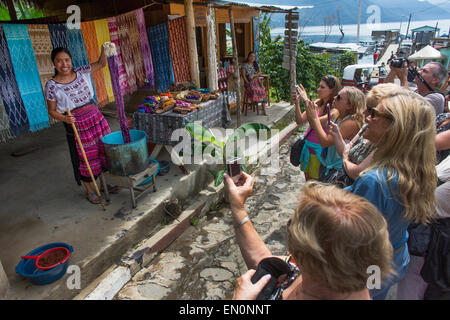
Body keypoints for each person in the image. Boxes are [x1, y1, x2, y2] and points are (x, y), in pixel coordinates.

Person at [226, 175, 394, 300]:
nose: (289, 225)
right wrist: (238, 207)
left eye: (293, 224)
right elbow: (264, 262)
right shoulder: (331, 274)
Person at [344, 89, 437, 300]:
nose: (366, 117)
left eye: (374, 113)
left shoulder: (375, 181)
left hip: (370, 269)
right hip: (394, 257)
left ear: (395, 127)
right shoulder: (412, 170)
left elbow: (355, 240)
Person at [45, 46, 116, 205]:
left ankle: (106, 184)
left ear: (71, 61)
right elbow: (52, 111)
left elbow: (101, 63)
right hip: (76, 124)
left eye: (67, 60)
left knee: (105, 150)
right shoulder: (52, 85)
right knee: (85, 157)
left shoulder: (82, 72)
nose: (64, 64)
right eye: (59, 61)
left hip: (96, 117)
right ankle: (90, 190)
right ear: (54, 63)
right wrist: (65, 119)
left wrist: (104, 49)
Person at [326, 83, 400, 188]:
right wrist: (337, 134)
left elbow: (357, 173)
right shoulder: (366, 128)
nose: (364, 113)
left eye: (371, 111)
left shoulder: (387, 144)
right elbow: (346, 150)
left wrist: (345, 160)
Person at [302, 86, 365, 183]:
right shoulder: (337, 114)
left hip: (338, 169)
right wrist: (307, 103)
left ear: (349, 105)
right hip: (328, 164)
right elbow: (314, 124)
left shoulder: (352, 122)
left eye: (339, 97)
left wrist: (314, 116)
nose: (335, 98)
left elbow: (325, 141)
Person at [292, 75, 341, 181]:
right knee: (308, 182)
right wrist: (297, 104)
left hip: (319, 152)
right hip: (308, 149)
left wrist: (306, 100)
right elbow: (300, 120)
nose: (318, 89)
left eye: (322, 87)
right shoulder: (318, 102)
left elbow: (315, 122)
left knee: (315, 184)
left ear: (332, 90)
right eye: (319, 86)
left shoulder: (334, 110)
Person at [241, 52, 267, 116]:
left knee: (263, 91)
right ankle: (256, 105)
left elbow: (260, 72)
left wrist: (254, 75)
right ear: (248, 57)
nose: (252, 58)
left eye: (254, 57)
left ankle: (264, 110)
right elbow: (243, 76)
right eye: (251, 56)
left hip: (257, 82)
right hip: (248, 83)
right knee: (256, 90)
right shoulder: (244, 65)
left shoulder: (256, 64)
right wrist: (248, 83)